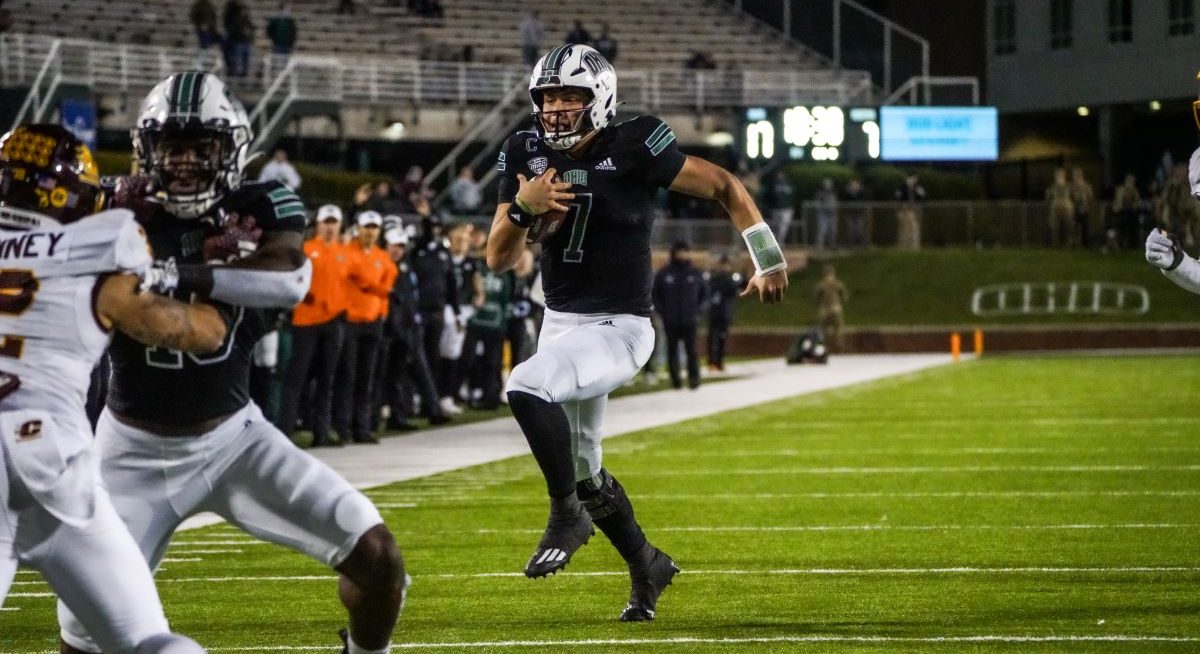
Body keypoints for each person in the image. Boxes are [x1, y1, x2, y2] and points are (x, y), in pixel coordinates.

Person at [58, 73, 406, 654]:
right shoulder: (111, 207)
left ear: (233, 150)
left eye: (203, 148)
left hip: (233, 439)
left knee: (379, 561)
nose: (187, 162)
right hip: (129, 450)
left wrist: (172, 273)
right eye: (173, 147)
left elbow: (291, 279)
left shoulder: (259, 203)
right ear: (148, 150)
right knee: (84, 640)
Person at [486, 44, 787, 621]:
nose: (555, 109)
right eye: (547, 97)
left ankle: (564, 514)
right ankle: (646, 564)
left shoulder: (636, 141)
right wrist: (523, 209)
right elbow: (498, 258)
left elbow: (724, 185)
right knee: (585, 466)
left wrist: (766, 257)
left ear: (598, 97)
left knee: (526, 386)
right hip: (560, 322)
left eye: (569, 96)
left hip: (619, 327)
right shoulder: (523, 149)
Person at [0, 124, 215, 654]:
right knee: (148, 641)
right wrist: (227, 294)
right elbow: (192, 332)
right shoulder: (100, 245)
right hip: (56, 462)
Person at [275, 204, 348, 447]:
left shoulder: (344, 252)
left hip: (333, 322)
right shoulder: (306, 249)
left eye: (333, 222)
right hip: (306, 322)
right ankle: (284, 431)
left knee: (327, 380)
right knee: (297, 378)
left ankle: (322, 432)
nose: (329, 227)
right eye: (325, 222)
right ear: (317, 225)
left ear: (339, 225)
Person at [333, 211, 396, 444]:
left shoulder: (382, 256)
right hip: (350, 321)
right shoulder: (347, 253)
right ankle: (343, 428)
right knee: (347, 377)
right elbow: (351, 277)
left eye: (374, 228)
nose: (370, 232)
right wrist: (374, 287)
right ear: (358, 229)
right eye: (366, 227)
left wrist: (381, 311)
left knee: (366, 378)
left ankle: (362, 427)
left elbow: (387, 287)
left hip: (372, 322)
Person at [380, 227, 450, 429]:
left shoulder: (406, 264)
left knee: (407, 372)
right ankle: (387, 416)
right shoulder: (383, 265)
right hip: (388, 327)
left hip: (408, 326)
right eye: (394, 245)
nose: (397, 250)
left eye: (401, 246)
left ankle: (407, 414)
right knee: (390, 374)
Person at [652, 241, 707, 390]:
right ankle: (675, 381)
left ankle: (694, 380)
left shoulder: (695, 273)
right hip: (671, 321)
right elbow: (656, 296)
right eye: (680, 251)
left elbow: (704, 295)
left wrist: (697, 312)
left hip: (690, 320)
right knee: (672, 351)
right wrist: (663, 313)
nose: (682, 254)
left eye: (685, 251)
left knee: (692, 351)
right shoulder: (664, 273)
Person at [705, 254, 742, 371]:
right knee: (712, 339)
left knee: (722, 339)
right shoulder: (714, 279)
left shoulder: (730, 280)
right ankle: (712, 362)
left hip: (724, 313)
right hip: (714, 313)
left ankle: (720, 362)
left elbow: (736, 291)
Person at [814, 264, 848, 352]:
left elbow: (816, 296)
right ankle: (839, 347)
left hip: (824, 310)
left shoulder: (821, 284)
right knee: (838, 329)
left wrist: (818, 304)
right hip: (836, 309)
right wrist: (841, 302)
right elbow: (844, 296)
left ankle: (825, 347)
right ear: (833, 273)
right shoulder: (837, 283)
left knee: (824, 330)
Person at [222, 0, 254, 77]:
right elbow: (232, 29)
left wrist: (249, 34)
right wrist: (242, 32)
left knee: (245, 61)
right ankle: (236, 76)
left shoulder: (247, 19)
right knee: (237, 60)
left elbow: (251, 28)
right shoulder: (234, 19)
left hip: (245, 42)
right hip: (238, 42)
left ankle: (243, 75)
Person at [894, 173, 925, 250]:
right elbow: (898, 197)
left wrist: (916, 190)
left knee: (915, 229)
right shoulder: (901, 188)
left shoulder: (918, 187)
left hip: (915, 211)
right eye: (911, 178)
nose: (912, 180)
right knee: (904, 229)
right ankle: (903, 246)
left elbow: (923, 196)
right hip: (904, 211)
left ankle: (914, 246)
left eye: (914, 179)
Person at [1111, 173, 1141, 251]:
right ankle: (1121, 244)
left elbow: (1137, 203)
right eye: (1128, 180)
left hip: (1132, 213)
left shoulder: (1135, 191)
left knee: (1133, 220)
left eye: (1131, 181)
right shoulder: (1120, 190)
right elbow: (1118, 203)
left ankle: (1133, 244)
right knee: (1123, 220)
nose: (1130, 183)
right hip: (1121, 213)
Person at [1045, 167, 1074, 248]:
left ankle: (1068, 243)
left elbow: (1074, 197)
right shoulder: (1052, 187)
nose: (1058, 176)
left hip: (1067, 208)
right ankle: (1055, 244)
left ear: (1064, 175)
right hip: (1055, 208)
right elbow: (1048, 197)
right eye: (1057, 175)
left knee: (1067, 226)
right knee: (1055, 227)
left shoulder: (1069, 186)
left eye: (1060, 175)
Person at [763, 170, 794, 245]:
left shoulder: (788, 183)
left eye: (781, 174)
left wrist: (792, 207)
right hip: (776, 208)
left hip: (787, 209)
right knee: (776, 226)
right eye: (779, 174)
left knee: (784, 227)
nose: (780, 175)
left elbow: (792, 197)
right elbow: (768, 197)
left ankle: (780, 242)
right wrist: (769, 207)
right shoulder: (772, 184)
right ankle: (775, 242)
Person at [1070, 167, 1095, 248]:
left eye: (1078, 175)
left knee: (1086, 227)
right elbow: (1071, 198)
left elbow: (1090, 198)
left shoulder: (1087, 186)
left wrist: (1086, 207)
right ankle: (1074, 244)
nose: (1076, 177)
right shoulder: (1072, 187)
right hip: (1075, 210)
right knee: (1074, 227)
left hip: (1085, 210)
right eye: (1075, 176)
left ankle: (1086, 244)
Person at [813, 177, 838, 249]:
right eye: (826, 184)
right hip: (823, 214)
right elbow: (817, 203)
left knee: (833, 230)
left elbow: (836, 203)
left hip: (833, 214)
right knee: (822, 230)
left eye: (829, 184)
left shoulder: (833, 193)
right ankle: (819, 245)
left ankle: (832, 245)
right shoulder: (820, 193)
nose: (828, 186)